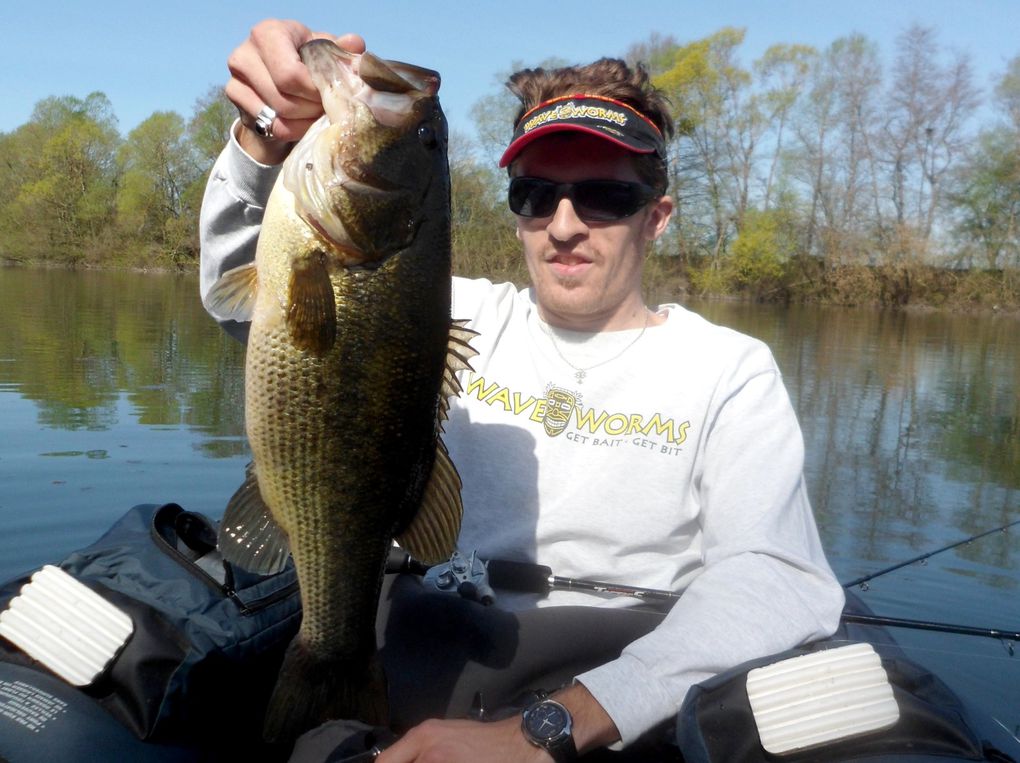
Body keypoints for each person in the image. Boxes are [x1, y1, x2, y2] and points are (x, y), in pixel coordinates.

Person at [199, 19, 845, 762]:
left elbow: (778, 579)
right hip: (417, 648)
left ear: (656, 217)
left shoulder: (729, 369)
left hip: (611, 700)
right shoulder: (441, 312)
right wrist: (264, 138)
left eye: (603, 196)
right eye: (536, 193)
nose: (565, 224)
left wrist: (550, 728)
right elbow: (242, 297)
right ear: (517, 215)